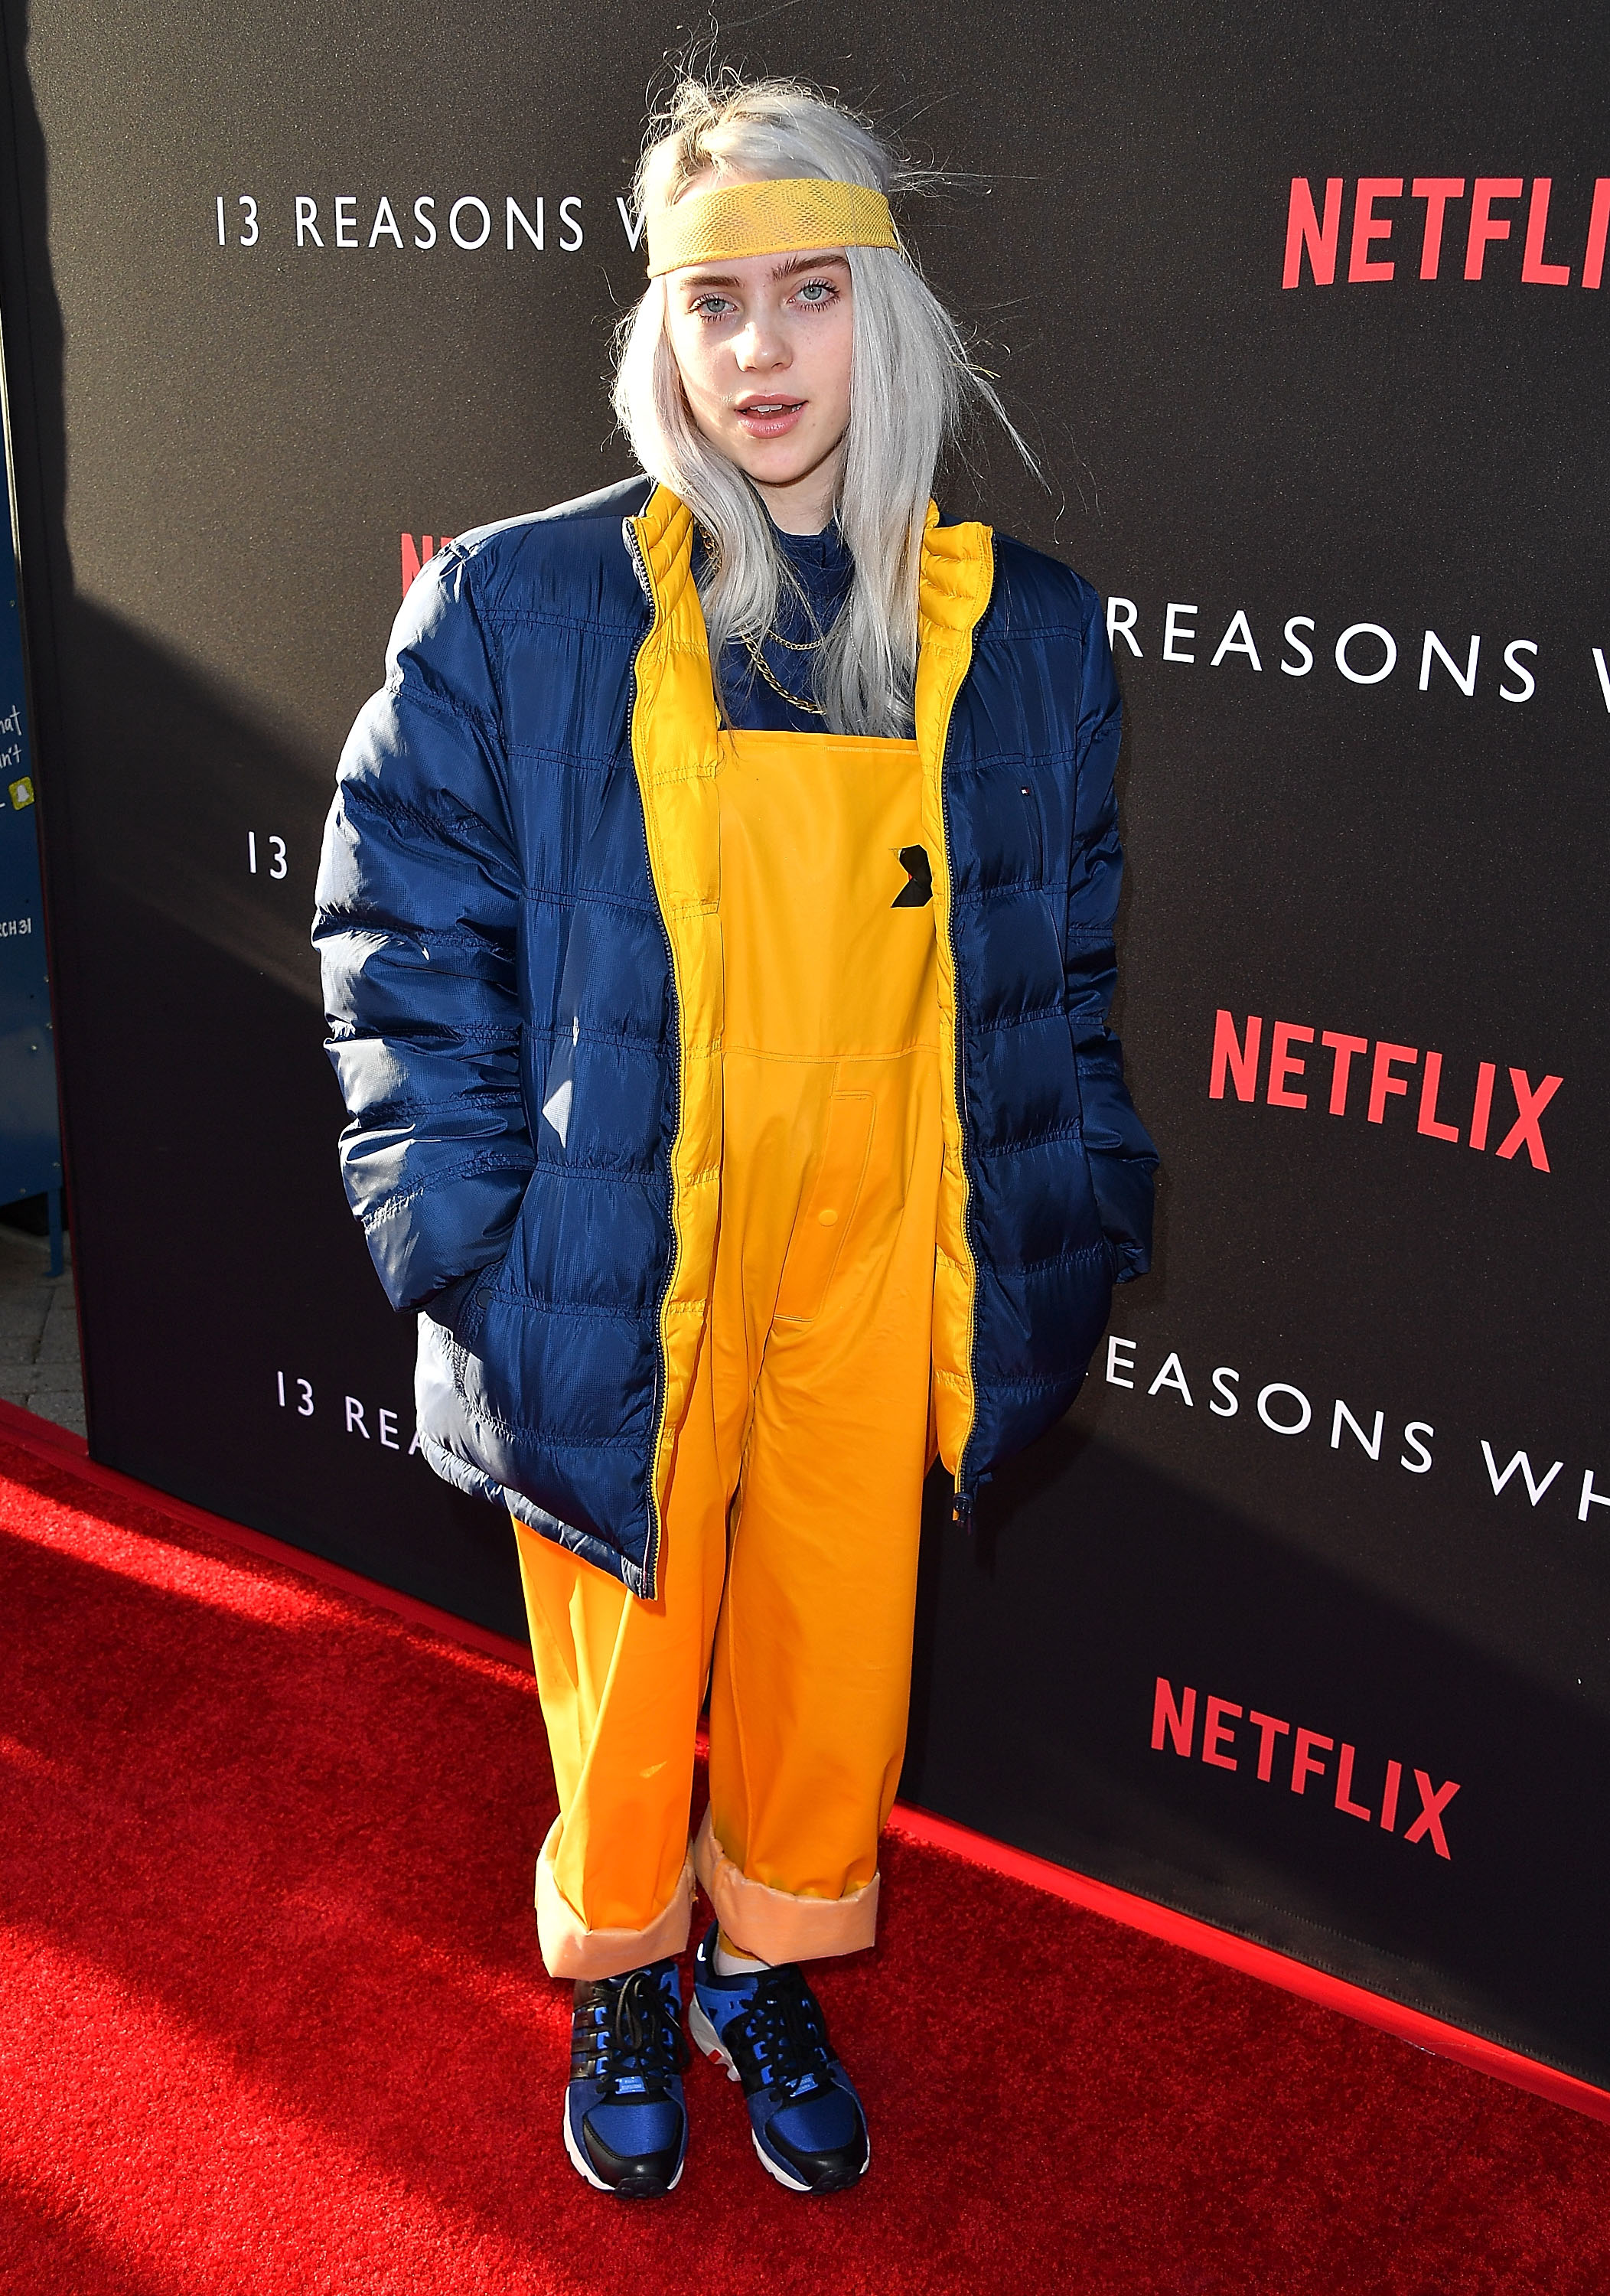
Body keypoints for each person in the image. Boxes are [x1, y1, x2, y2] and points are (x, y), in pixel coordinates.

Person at [314, 73, 1156, 2202]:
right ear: (657, 337)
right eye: (711, 304)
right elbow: (399, 941)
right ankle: (623, 1962)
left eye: (808, 294)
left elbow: (1058, 975)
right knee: (627, 1660)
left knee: (830, 1662)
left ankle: (764, 1952)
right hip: (626, 1243)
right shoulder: (519, 610)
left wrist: (1071, 1206)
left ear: (892, 316)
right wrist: (472, 1245)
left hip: (883, 1258)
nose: (760, 354)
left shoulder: (1024, 635)